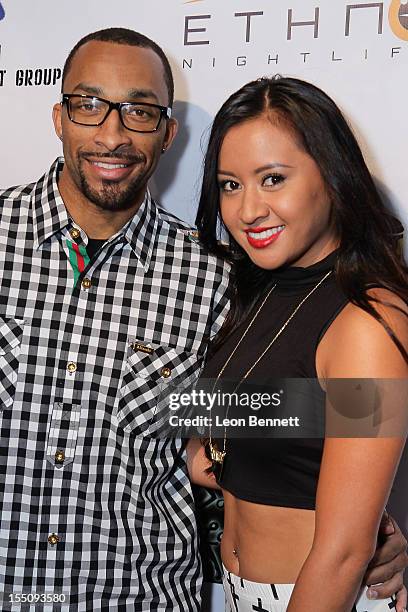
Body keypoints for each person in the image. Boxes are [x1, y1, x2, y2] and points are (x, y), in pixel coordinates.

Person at [0, 28, 406, 611]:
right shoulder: (260, 287)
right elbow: (294, 412)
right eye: (88, 105)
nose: (112, 134)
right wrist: (208, 451)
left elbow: (360, 417)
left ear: (168, 133)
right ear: (59, 116)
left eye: (139, 111)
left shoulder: (217, 278)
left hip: (142, 597)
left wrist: (378, 522)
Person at [188, 76, 408, 611]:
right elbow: (215, 451)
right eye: (230, 184)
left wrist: (363, 523)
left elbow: (342, 552)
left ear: (332, 176)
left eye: (273, 178)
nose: (247, 211)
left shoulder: (367, 324)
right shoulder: (260, 290)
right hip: (244, 592)